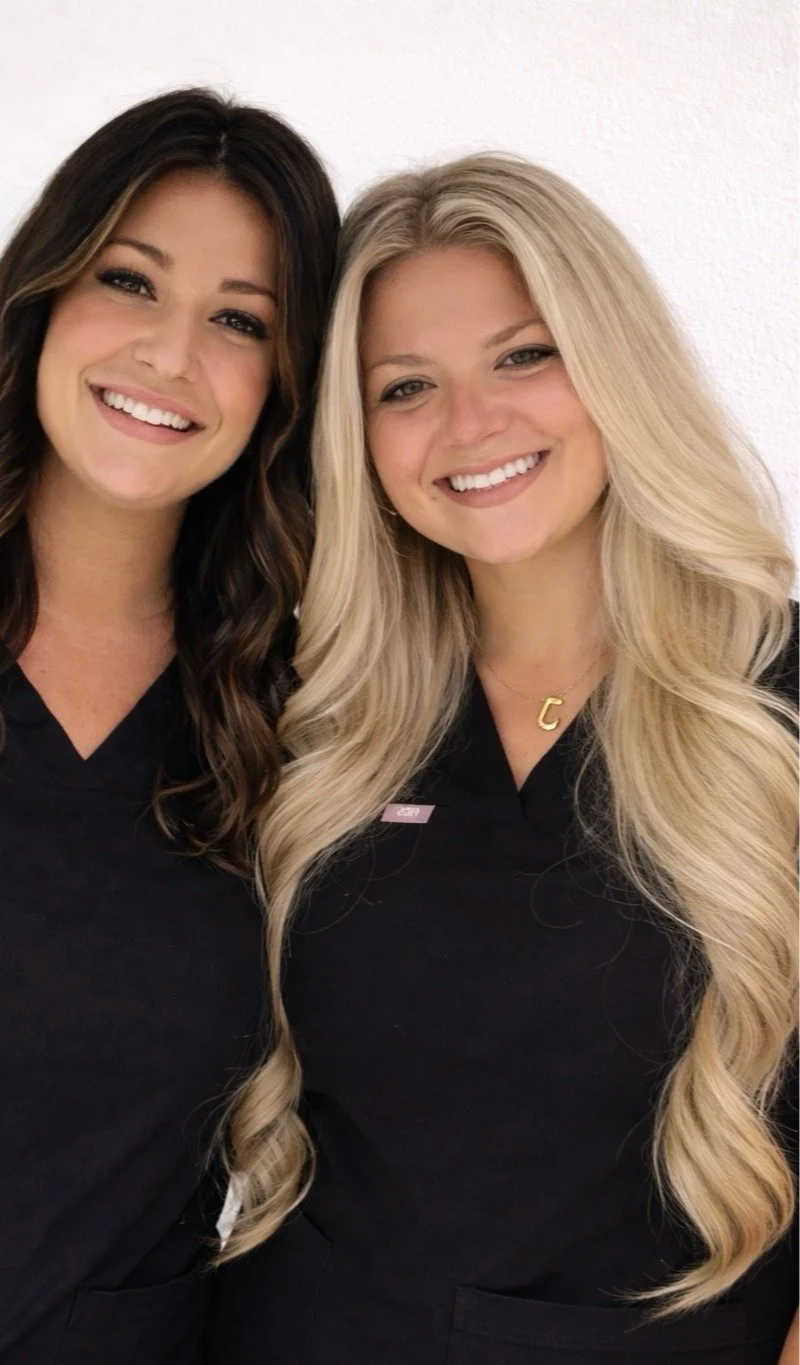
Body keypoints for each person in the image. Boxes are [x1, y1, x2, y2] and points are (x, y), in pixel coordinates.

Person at [205, 154, 800, 1363]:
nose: (469, 426)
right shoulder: (313, 711)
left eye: (525, 356)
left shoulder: (770, 709)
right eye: (404, 386)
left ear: (614, 365)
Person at [0, 88, 337, 1364]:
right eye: (130, 283)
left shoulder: (291, 719)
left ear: (285, 387)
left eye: (240, 320)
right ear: (39, 294)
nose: (171, 355)